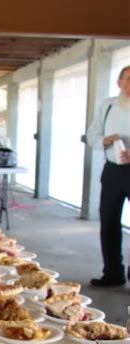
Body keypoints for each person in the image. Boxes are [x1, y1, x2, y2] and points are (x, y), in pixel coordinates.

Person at [87, 65, 130, 287]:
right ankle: (113, 273)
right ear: (119, 82)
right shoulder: (107, 106)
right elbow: (92, 134)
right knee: (109, 222)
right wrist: (103, 140)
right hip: (113, 170)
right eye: (127, 79)